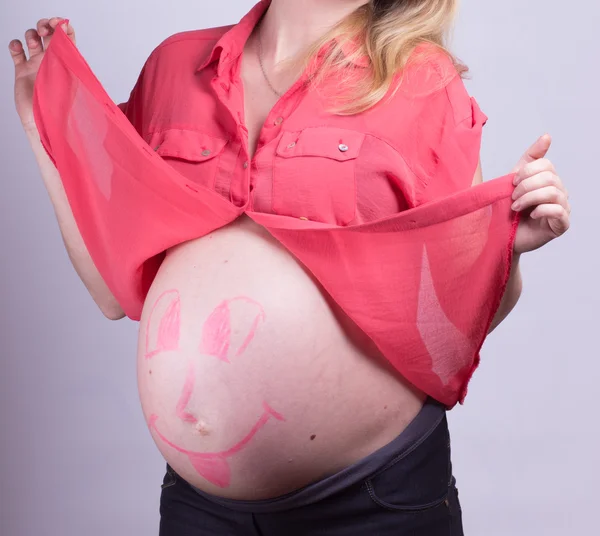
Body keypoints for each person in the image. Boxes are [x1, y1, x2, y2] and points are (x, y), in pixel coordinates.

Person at [9, 1, 570, 534]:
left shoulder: (422, 81)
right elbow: (114, 292)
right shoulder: (173, 67)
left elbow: (452, 327)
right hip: (201, 507)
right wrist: (42, 125)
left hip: (371, 501)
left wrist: (507, 249)